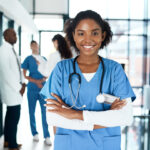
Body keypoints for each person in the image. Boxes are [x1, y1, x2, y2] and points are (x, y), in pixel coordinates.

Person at [40, 10, 136, 150]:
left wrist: (75, 115)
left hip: (105, 145)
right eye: (81, 33)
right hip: (69, 145)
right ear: (73, 35)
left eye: (94, 33)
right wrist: (104, 119)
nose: (88, 39)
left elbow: (125, 117)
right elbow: (53, 118)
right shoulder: (61, 69)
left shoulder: (114, 70)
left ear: (102, 35)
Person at [21, 40, 51, 145]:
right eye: (32, 45)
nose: (35, 46)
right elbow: (25, 75)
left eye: (36, 45)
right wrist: (36, 81)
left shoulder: (43, 59)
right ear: (30, 47)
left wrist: (41, 81)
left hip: (43, 87)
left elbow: (48, 73)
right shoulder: (28, 59)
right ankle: (34, 133)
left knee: (44, 112)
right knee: (31, 111)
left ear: (38, 46)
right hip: (32, 88)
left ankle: (47, 135)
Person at [0, 28, 26, 150]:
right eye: (13, 34)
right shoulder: (4, 51)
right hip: (11, 90)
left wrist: (23, 83)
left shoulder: (10, 49)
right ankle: (12, 144)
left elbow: (16, 69)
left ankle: (7, 141)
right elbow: (6, 73)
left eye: (16, 34)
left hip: (14, 89)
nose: (16, 36)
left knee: (10, 116)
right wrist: (19, 88)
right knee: (14, 117)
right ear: (6, 37)